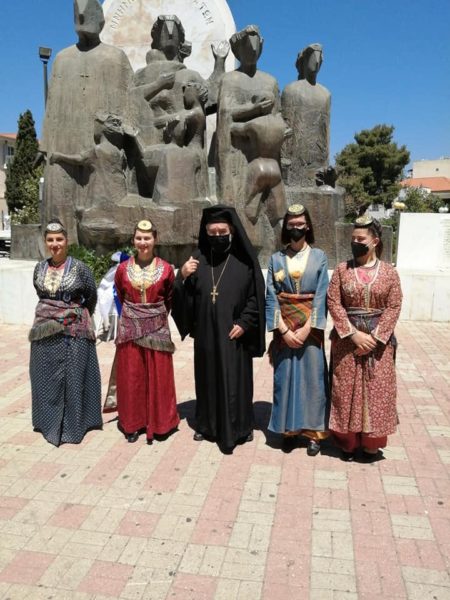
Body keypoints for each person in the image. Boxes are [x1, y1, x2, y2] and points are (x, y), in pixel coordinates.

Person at [172, 205, 266, 452]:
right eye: (212, 232)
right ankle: (207, 425)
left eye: (222, 232)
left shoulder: (244, 261)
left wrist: (245, 323)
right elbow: (183, 298)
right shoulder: (197, 259)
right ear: (205, 232)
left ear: (232, 231)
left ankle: (240, 427)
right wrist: (182, 277)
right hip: (206, 335)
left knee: (236, 382)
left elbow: (256, 297)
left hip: (234, 335)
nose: (217, 236)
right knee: (207, 380)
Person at [327, 216, 402, 461]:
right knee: (345, 391)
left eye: (361, 239)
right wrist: (353, 334)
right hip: (347, 341)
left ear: (375, 241)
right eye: (353, 239)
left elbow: (394, 306)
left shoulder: (389, 273)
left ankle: (372, 444)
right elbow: (334, 302)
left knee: (377, 391)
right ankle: (347, 443)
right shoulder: (341, 270)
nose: (355, 243)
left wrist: (376, 338)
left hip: (379, 345)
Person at [29, 219, 102, 446]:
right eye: (50, 240)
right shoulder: (39, 268)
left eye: (59, 239)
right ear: (45, 242)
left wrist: (76, 315)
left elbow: (91, 296)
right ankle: (47, 423)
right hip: (44, 330)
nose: (55, 244)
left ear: (67, 241)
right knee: (44, 376)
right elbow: (40, 294)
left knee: (73, 377)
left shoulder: (81, 269)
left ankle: (73, 427)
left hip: (74, 332)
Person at [266, 204, 330, 455]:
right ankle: (289, 430)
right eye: (291, 224)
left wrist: (306, 329)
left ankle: (314, 433)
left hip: (310, 329)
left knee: (313, 379)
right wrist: (283, 330)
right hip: (285, 327)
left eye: (300, 224)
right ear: (285, 227)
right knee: (285, 378)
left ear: (308, 226)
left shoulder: (319, 256)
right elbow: (271, 296)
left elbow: (322, 295)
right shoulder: (276, 259)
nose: (296, 228)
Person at [114, 220, 179, 443]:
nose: (143, 242)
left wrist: (153, 317)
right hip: (130, 328)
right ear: (133, 240)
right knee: (132, 375)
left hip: (157, 328)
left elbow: (169, 298)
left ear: (155, 239)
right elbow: (120, 295)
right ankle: (132, 424)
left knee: (159, 375)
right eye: (139, 238)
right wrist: (136, 317)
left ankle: (161, 423)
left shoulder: (167, 269)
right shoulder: (122, 269)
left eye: (147, 238)